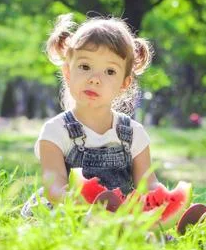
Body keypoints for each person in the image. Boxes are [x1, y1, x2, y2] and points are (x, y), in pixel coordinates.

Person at [21, 13, 162, 217]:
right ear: (68, 73)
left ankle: (180, 225)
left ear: (124, 83)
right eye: (85, 67)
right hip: (70, 210)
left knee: (149, 219)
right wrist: (82, 204)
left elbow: (148, 184)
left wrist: (162, 201)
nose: (95, 79)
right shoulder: (55, 131)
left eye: (110, 72)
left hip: (119, 214)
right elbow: (54, 185)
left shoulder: (134, 134)